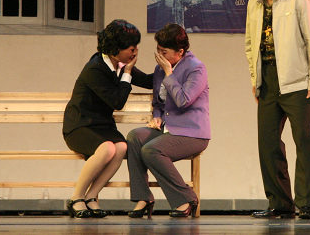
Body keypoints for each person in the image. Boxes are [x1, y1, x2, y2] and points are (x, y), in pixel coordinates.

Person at [244, 0, 310, 220]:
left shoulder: (301, 0)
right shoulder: (254, 3)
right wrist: (256, 80)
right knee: (268, 144)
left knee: (303, 141)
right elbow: (250, 44)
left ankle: (306, 203)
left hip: (298, 81)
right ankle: (279, 203)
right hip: (268, 81)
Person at [63, 19, 152, 218]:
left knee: (121, 147)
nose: (135, 52)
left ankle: (91, 196)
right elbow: (117, 102)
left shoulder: (119, 64)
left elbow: (148, 81)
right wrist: (127, 73)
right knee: (108, 149)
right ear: (115, 50)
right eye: (131, 48)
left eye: (136, 47)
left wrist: (171, 70)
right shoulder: (96, 69)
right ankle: (76, 197)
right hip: (79, 126)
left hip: (102, 126)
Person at [126, 23, 210, 218]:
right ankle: (143, 198)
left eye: (164, 52)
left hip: (192, 133)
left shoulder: (196, 68)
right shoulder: (160, 69)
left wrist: (169, 73)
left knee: (152, 150)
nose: (159, 55)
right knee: (135, 137)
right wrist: (157, 116)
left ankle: (185, 198)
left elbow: (183, 100)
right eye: (158, 50)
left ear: (180, 52)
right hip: (167, 128)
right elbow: (159, 101)